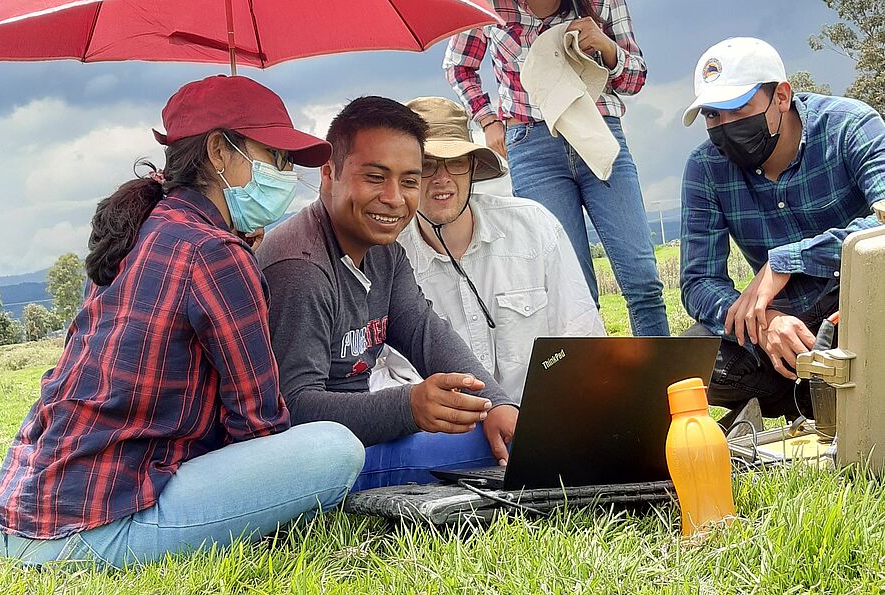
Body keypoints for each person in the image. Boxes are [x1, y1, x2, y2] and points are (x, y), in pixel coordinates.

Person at [0, 75, 365, 569]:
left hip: (20, 515)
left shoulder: (136, 231)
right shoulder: (213, 252)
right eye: (275, 158)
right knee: (334, 448)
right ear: (219, 150)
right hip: (93, 531)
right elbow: (259, 425)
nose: (284, 173)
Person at [256, 97, 519, 490]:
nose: (395, 198)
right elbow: (293, 407)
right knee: (487, 448)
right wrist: (409, 407)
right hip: (314, 458)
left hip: (361, 436)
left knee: (502, 428)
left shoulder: (384, 252)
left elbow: (424, 331)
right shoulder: (300, 266)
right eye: (376, 177)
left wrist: (496, 402)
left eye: (410, 181)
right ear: (329, 174)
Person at [679, 38, 885, 423]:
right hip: (780, 326)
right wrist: (765, 323)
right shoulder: (705, 169)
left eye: (738, 109)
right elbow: (698, 282)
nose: (725, 128)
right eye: (712, 116)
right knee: (691, 358)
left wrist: (789, 260)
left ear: (782, 97)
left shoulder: (850, 126)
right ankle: (802, 400)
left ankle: (837, 394)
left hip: (859, 303)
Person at [444, 0, 669, 336]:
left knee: (642, 280)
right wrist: (488, 120)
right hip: (531, 144)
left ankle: (663, 385)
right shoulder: (489, 5)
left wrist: (607, 47)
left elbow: (634, 79)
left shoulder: (601, 3)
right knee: (571, 290)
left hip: (598, 130)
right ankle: (593, 387)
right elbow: (458, 66)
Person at [372, 96, 605, 403]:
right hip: (440, 439)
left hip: (540, 419)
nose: (442, 179)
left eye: (455, 162)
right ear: (407, 178)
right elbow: (372, 372)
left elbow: (583, 340)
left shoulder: (533, 226)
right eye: (426, 165)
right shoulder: (380, 259)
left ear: (472, 166)